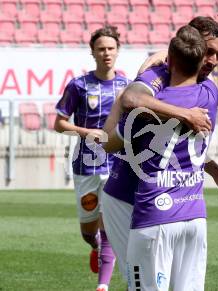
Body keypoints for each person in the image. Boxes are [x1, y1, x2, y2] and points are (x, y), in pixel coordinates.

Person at [101, 16, 218, 284]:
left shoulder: (196, 88)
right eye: (209, 51)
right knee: (138, 280)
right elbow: (135, 102)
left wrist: (217, 172)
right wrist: (184, 114)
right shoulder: (164, 79)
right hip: (124, 196)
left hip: (160, 202)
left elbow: (122, 127)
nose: (211, 60)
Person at [54, 26, 127, 291]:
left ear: (118, 51)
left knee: (109, 225)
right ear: (93, 52)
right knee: (88, 231)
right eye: (101, 49)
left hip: (117, 164)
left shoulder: (126, 86)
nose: (106, 53)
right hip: (86, 165)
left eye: (111, 48)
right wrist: (86, 132)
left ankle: (102, 286)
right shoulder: (79, 85)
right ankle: (94, 246)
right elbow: (59, 123)